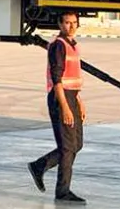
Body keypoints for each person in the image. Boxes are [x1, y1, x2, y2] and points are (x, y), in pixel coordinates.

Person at [27, 12, 87, 204]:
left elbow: (72, 78)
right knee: (68, 147)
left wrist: (78, 101)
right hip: (60, 98)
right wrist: (65, 107)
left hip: (72, 97)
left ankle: (39, 166)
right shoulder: (58, 46)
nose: (71, 26)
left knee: (76, 144)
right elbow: (57, 79)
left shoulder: (72, 45)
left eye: (74, 23)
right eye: (67, 23)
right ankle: (62, 191)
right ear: (60, 24)